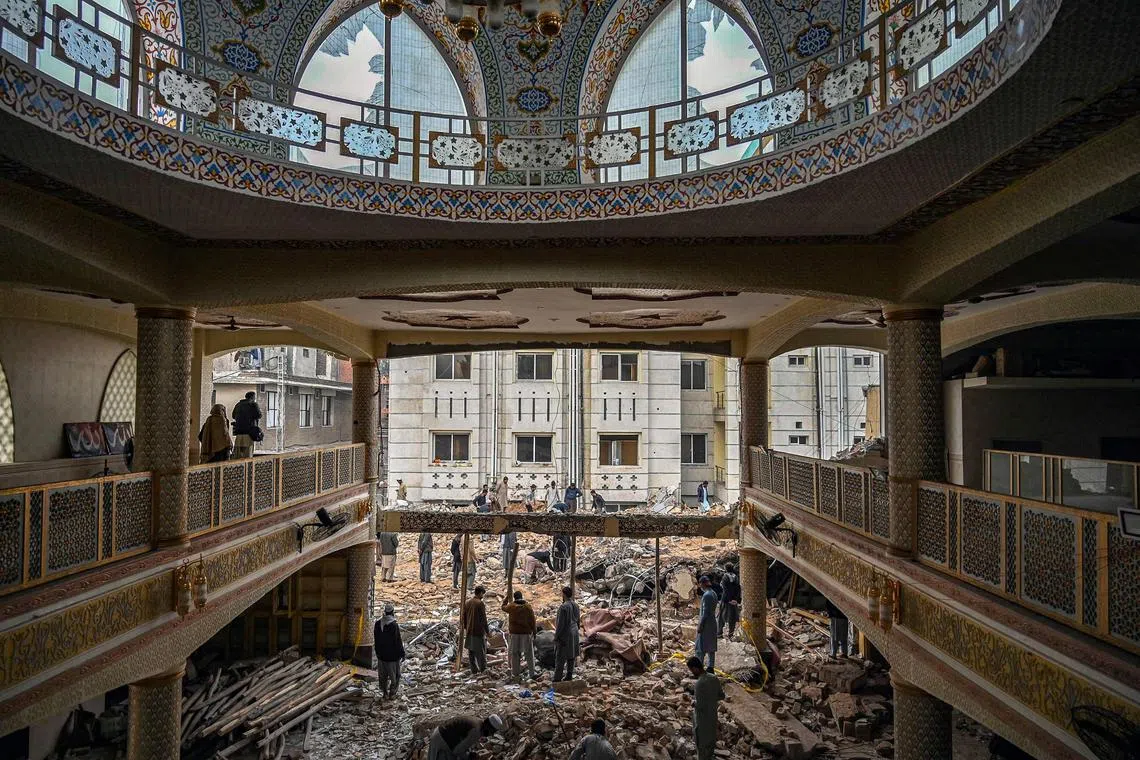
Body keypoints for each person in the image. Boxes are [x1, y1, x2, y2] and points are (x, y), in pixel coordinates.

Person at [687, 656, 725, 760]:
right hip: (712, 716)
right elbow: (722, 696)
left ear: (695, 668)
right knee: (710, 744)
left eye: (691, 670)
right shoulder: (714, 677)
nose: (691, 672)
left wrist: (693, 702)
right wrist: (711, 699)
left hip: (702, 719)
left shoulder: (700, 683)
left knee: (702, 746)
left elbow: (700, 706)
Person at [427, 714, 501, 760]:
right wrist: (470, 756)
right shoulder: (476, 731)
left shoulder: (479, 722)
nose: (491, 734)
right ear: (489, 728)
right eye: (492, 732)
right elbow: (457, 751)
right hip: (441, 739)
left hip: (441, 734)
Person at [501, 590, 537, 682]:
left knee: (515, 654)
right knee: (529, 654)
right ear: (522, 597)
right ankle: (532, 673)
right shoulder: (528, 607)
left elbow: (503, 607)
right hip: (526, 633)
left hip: (514, 633)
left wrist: (506, 598)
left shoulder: (512, 606)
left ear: (515, 598)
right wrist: (534, 632)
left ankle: (515, 674)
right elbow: (532, 620)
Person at [374, 603, 405, 699]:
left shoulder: (378, 623)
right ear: (392, 612)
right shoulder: (394, 625)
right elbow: (397, 641)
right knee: (395, 676)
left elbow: (376, 639)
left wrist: (378, 652)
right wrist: (402, 653)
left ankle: (385, 693)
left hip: (381, 656)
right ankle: (392, 693)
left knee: (383, 676)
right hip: (392, 657)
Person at [554, 585, 580, 682]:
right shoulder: (576, 605)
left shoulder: (563, 607)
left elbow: (561, 624)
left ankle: (557, 678)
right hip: (575, 632)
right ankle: (569, 674)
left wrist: (557, 637)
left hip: (566, 634)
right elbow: (578, 620)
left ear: (564, 594)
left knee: (560, 657)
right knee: (571, 655)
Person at [461, 586, 490, 673]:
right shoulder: (480, 603)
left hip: (470, 630)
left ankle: (473, 669)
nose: (483, 596)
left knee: (471, 651)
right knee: (480, 651)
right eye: (482, 594)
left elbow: (464, 617)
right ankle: (483, 669)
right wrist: (487, 631)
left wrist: (466, 627)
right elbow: (483, 619)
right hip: (478, 631)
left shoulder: (467, 602)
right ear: (480, 593)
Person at [695, 575, 718, 669]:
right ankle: (710, 667)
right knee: (711, 647)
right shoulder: (713, 593)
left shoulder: (707, 595)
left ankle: (699, 668)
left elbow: (705, 613)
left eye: (700, 584)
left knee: (700, 647)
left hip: (706, 624)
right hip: (712, 623)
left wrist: (700, 625)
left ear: (703, 584)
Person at [231, 391, 261, 459]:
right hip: (249, 433)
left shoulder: (238, 405)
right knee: (248, 454)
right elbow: (259, 415)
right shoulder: (253, 404)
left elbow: (233, 416)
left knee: (238, 455)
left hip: (238, 433)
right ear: (253, 397)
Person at [718, 564, 741, 639]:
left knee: (721, 616)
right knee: (732, 617)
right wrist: (735, 600)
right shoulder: (736, 577)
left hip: (726, 600)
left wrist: (728, 600)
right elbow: (738, 589)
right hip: (734, 601)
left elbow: (725, 590)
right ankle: (731, 634)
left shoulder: (725, 577)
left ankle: (719, 633)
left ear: (725, 568)